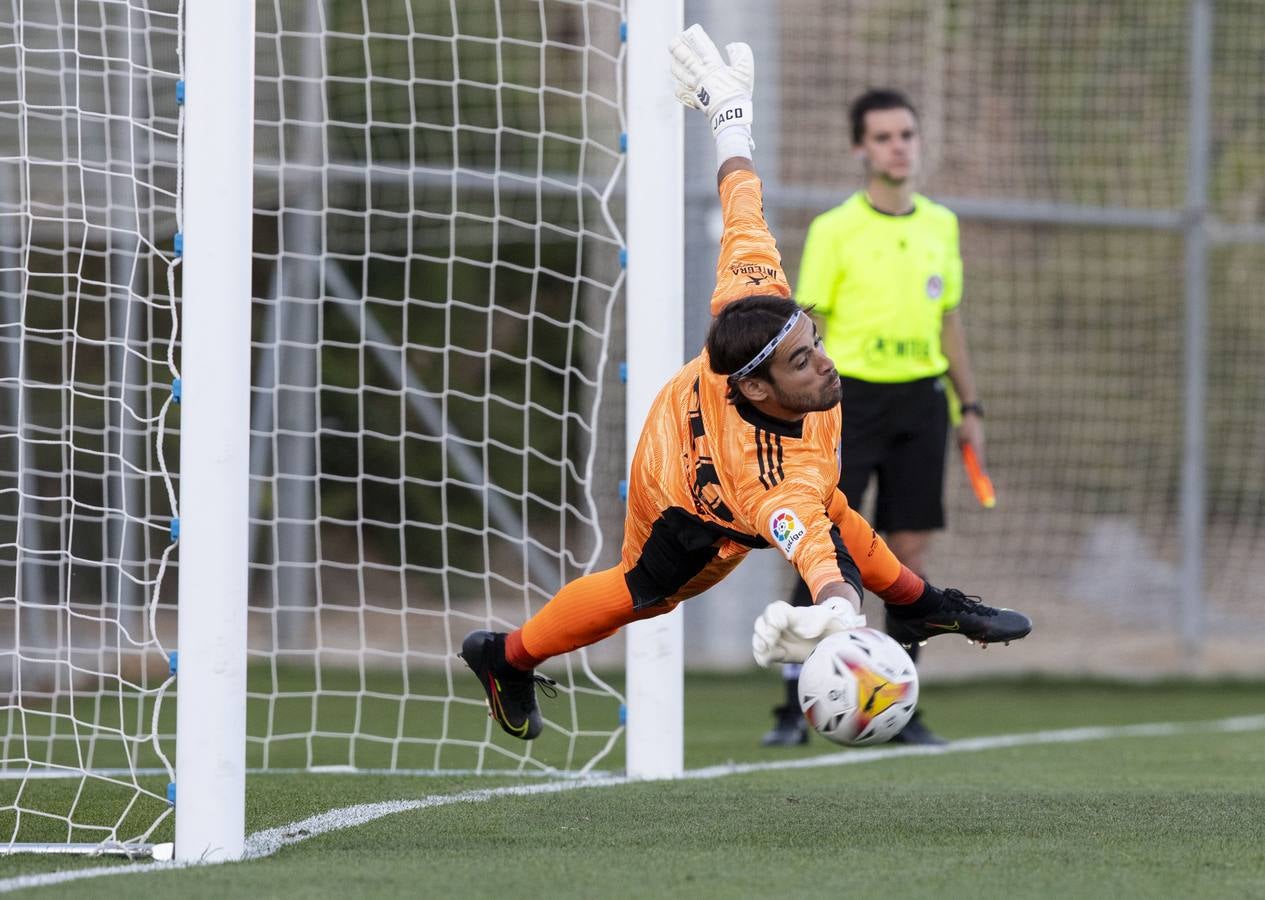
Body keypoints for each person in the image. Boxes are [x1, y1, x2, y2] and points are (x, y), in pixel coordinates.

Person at [461, 25, 1029, 742]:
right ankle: (503, 656)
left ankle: (917, 603)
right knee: (645, 593)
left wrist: (728, 113)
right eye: (802, 361)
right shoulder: (773, 482)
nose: (823, 361)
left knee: (836, 502)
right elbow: (810, 543)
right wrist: (836, 609)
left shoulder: (753, 298)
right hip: (684, 491)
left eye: (814, 342)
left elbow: (741, 198)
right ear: (761, 391)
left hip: (747, 417)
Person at [762, 88, 986, 748]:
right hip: (845, 403)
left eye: (906, 135)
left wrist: (968, 404)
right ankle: (791, 703)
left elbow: (948, 320)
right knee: (818, 547)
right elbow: (812, 325)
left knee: (906, 554)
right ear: (861, 147)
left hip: (921, 402)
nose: (898, 146)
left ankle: (901, 704)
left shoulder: (940, 224)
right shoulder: (836, 228)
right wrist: (792, 403)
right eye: (884, 136)